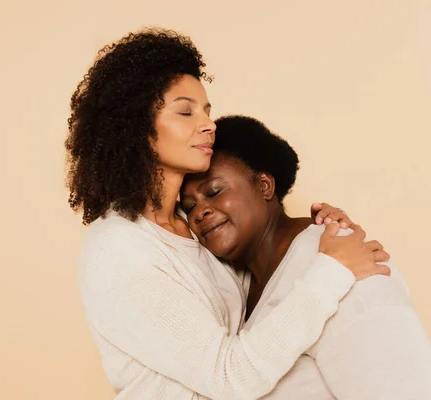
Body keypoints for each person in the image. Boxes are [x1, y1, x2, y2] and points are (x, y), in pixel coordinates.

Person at [66, 28, 390, 399]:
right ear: (135, 126)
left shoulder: (196, 228)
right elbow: (229, 378)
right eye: (185, 111)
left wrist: (317, 229)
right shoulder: (119, 248)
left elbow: (268, 299)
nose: (208, 124)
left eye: (207, 110)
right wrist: (334, 271)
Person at [181, 115, 431, 399]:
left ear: (264, 186)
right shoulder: (239, 285)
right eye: (188, 207)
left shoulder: (346, 263)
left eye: (214, 191)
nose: (200, 211)